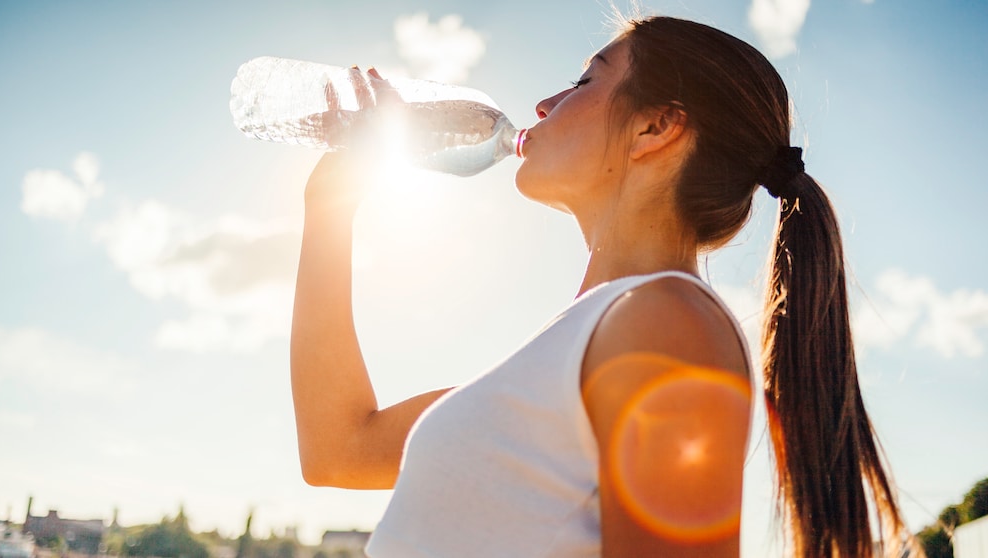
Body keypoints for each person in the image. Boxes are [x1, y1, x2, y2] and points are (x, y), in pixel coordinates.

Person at [290, 14, 917, 558]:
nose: (544, 104)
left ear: (655, 129)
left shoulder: (668, 324)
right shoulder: (587, 340)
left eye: (585, 81)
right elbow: (340, 449)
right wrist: (329, 208)